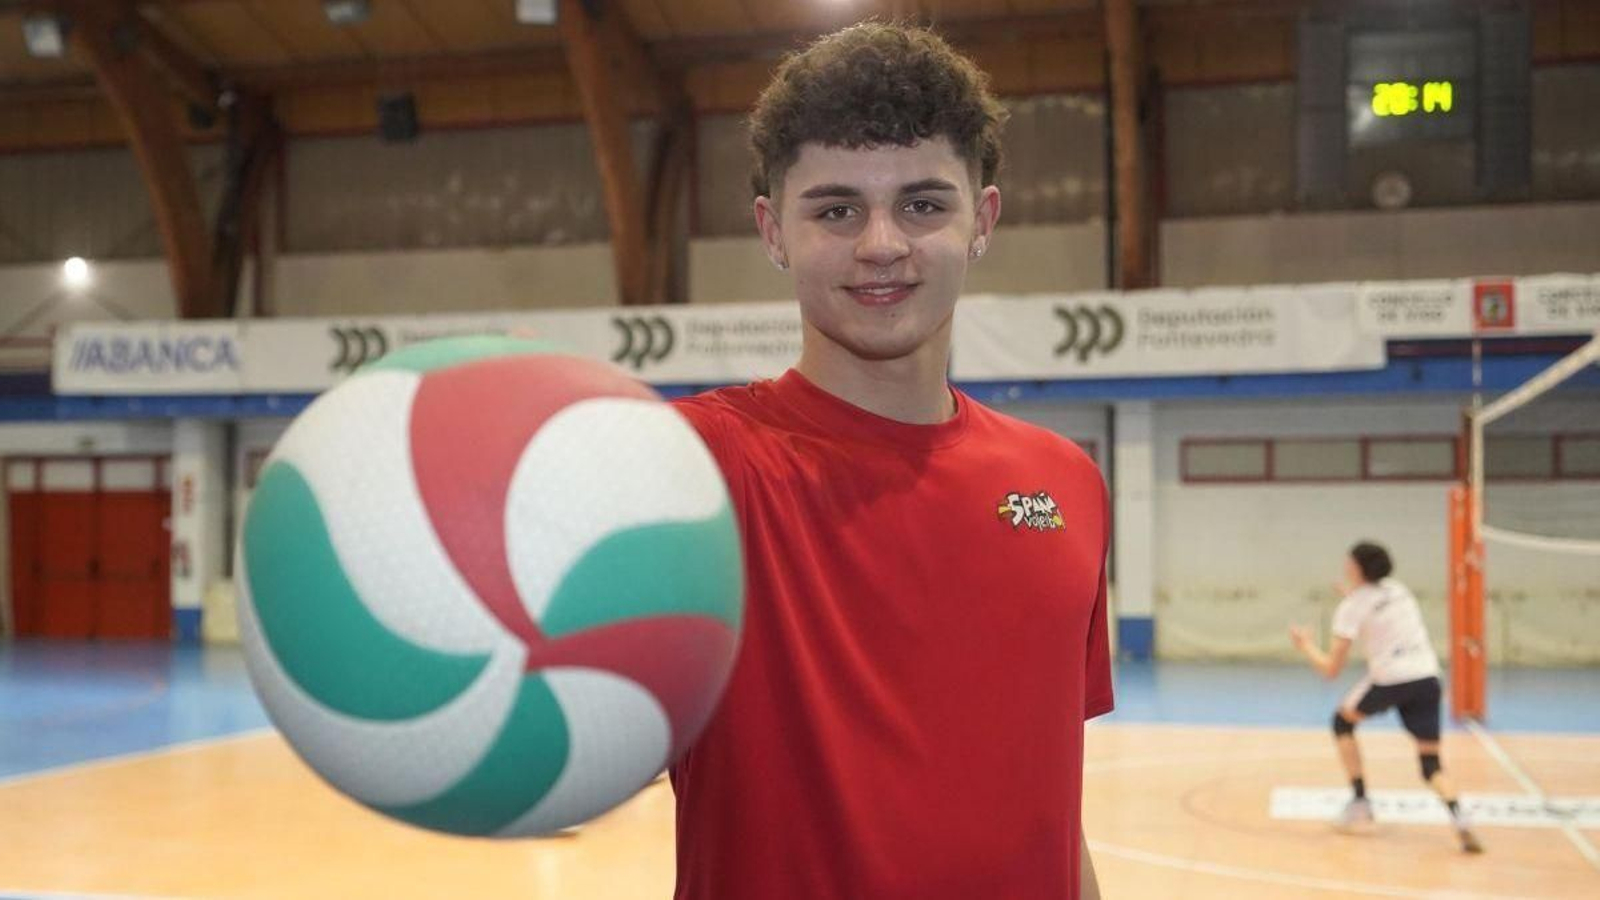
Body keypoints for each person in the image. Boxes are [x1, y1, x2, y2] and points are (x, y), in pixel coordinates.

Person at [667, 22, 1113, 900]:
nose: (881, 244)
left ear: (981, 220)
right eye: (835, 209)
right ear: (773, 231)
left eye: (922, 204)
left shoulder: (1066, 483)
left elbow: (1055, 816)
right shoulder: (693, 471)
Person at [1289, 541, 1483, 854]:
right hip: (1427, 678)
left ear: (1357, 568)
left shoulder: (1350, 608)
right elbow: (1373, 606)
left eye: (1348, 561)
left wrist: (1305, 646)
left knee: (1341, 722)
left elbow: (1331, 669)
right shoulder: (1398, 590)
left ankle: (1361, 801)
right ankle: (1459, 817)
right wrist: (1352, 599)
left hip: (1390, 679)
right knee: (1430, 763)